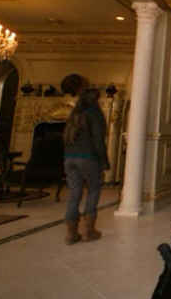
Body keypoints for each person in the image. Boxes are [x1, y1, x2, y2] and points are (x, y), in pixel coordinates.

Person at [63, 87, 109, 245]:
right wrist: (104, 161)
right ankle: (89, 231)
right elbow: (98, 140)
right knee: (93, 190)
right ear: (95, 100)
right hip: (88, 158)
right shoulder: (94, 113)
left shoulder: (74, 114)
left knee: (74, 193)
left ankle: (71, 234)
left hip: (69, 158)